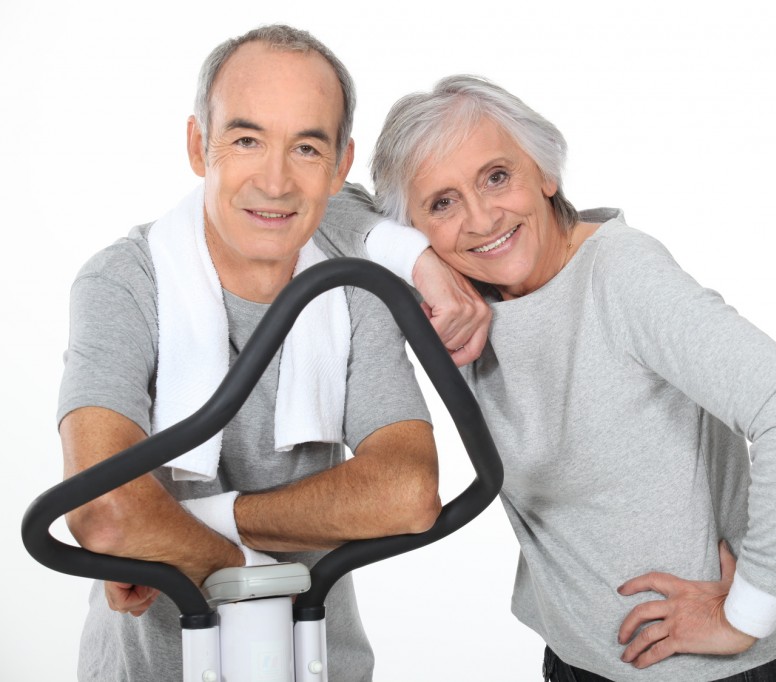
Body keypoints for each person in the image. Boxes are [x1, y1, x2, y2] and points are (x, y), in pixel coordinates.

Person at [365, 75, 776, 681]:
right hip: (579, 664)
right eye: (442, 203)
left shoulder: (619, 273)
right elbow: (317, 200)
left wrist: (747, 613)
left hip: (715, 672)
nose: (482, 217)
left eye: (496, 176)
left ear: (545, 173)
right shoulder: (458, 299)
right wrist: (420, 266)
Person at [58, 27, 487, 681]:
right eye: (247, 139)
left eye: (306, 147)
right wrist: (243, 576)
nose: (277, 180)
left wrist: (184, 525)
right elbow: (107, 512)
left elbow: (405, 492)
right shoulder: (122, 283)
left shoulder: (353, 289)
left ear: (339, 166)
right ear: (200, 146)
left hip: (319, 660)